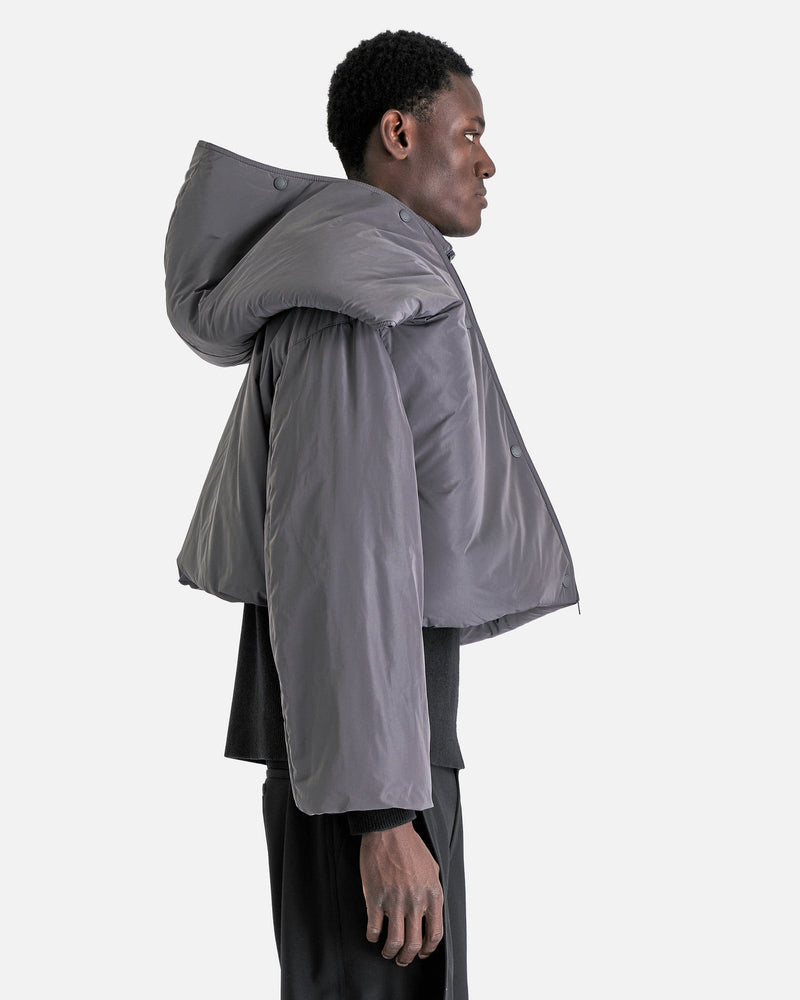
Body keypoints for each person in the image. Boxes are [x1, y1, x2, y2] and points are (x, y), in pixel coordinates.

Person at [164, 28, 580, 1000]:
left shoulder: (366, 275)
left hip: (377, 741)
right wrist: (382, 817)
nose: (486, 161)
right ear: (399, 133)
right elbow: (338, 556)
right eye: (468, 131)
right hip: (364, 768)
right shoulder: (354, 293)